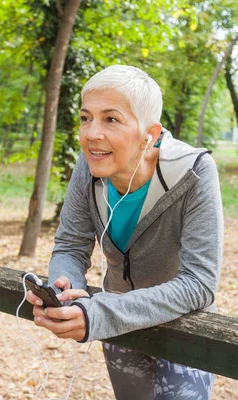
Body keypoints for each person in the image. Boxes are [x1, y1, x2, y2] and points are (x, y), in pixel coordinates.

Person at [26, 65, 223, 399]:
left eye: (111, 119)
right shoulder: (87, 168)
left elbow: (200, 285)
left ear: (150, 133)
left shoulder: (194, 172)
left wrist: (98, 314)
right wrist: (64, 285)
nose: (91, 134)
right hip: (119, 325)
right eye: (85, 118)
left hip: (184, 328)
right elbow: (72, 246)